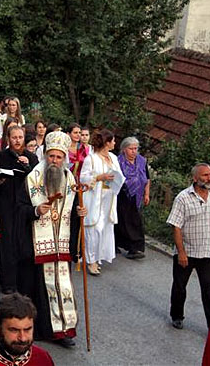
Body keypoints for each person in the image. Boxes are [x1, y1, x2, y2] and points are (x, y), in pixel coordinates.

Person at [14, 131, 87, 348]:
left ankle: (62, 331)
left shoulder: (70, 179)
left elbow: (73, 211)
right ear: (45, 155)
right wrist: (36, 210)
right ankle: (33, 330)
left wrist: (80, 212)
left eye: (59, 157)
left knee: (61, 287)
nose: (54, 161)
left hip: (61, 245)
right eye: (51, 157)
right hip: (35, 246)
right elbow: (18, 210)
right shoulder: (32, 179)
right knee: (37, 290)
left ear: (65, 158)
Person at [167, 163, 210, 330]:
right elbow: (176, 226)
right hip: (187, 252)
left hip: (207, 252)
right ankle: (176, 315)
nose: (209, 178)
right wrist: (181, 252)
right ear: (195, 178)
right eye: (205, 175)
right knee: (179, 286)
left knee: (209, 290)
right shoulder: (183, 198)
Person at [0, 126, 37, 294]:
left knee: (24, 243)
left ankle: (23, 281)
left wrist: (28, 166)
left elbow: (37, 181)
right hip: (5, 205)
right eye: (14, 137)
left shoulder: (31, 157)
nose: (17, 140)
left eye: (20, 137)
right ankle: (7, 282)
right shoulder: (0, 156)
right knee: (6, 244)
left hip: (24, 206)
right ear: (8, 139)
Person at [80, 129, 125, 275]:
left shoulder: (113, 157)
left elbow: (119, 174)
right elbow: (83, 178)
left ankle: (98, 257)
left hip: (109, 198)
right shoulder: (91, 158)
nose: (114, 143)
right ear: (107, 143)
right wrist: (99, 177)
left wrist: (117, 179)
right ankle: (90, 260)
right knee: (95, 229)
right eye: (112, 141)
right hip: (95, 197)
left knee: (105, 229)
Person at [115, 137, 150, 259]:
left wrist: (146, 194)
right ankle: (116, 244)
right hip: (122, 195)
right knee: (120, 220)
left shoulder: (141, 161)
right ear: (124, 149)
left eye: (136, 148)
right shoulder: (118, 162)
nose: (134, 151)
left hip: (137, 196)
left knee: (135, 221)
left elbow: (147, 178)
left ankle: (136, 248)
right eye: (131, 149)